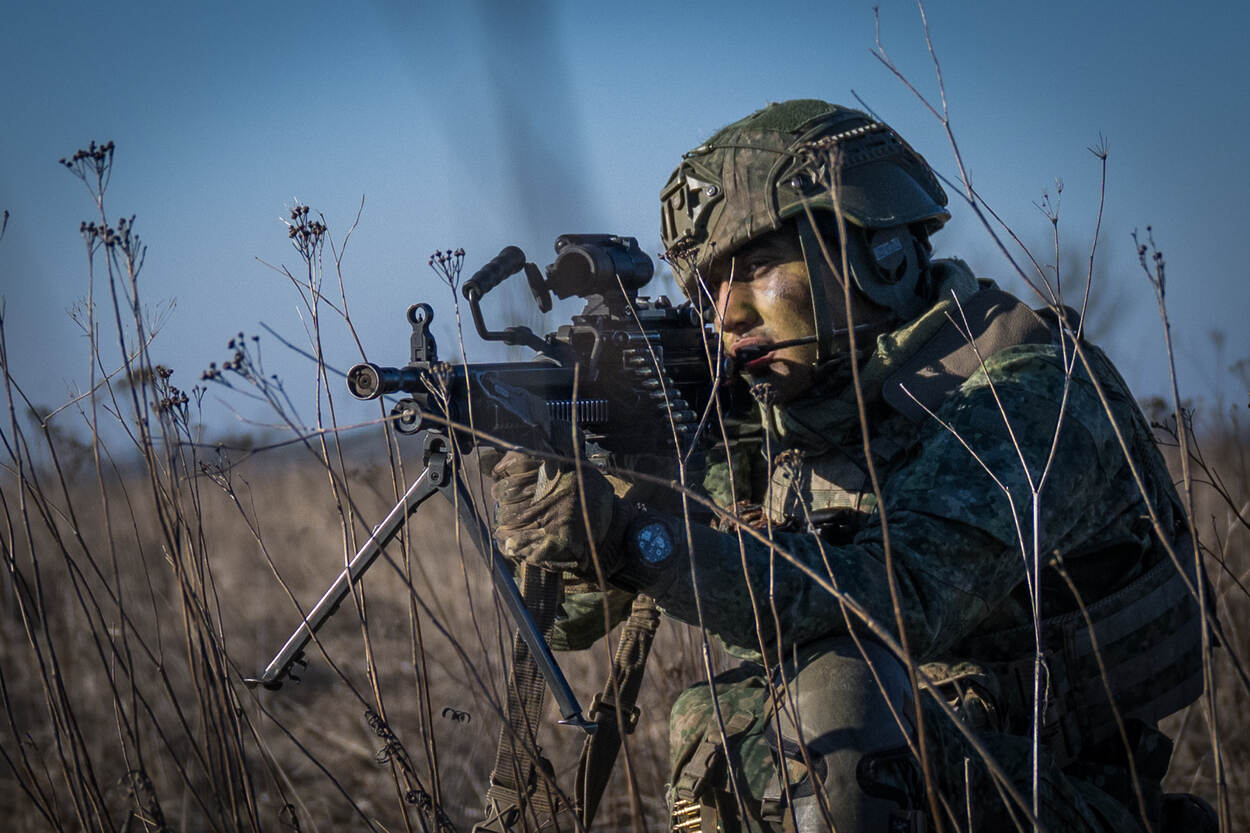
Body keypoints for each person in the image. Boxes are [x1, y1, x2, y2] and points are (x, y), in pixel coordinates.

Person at [489, 100, 1210, 832]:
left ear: (878, 253)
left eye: (756, 266)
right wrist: (580, 514)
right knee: (734, 722)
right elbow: (572, 626)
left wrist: (638, 540)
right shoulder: (782, 411)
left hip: (1056, 791)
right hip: (915, 778)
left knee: (837, 708)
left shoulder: (1031, 391)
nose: (726, 314)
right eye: (708, 288)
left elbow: (899, 597)